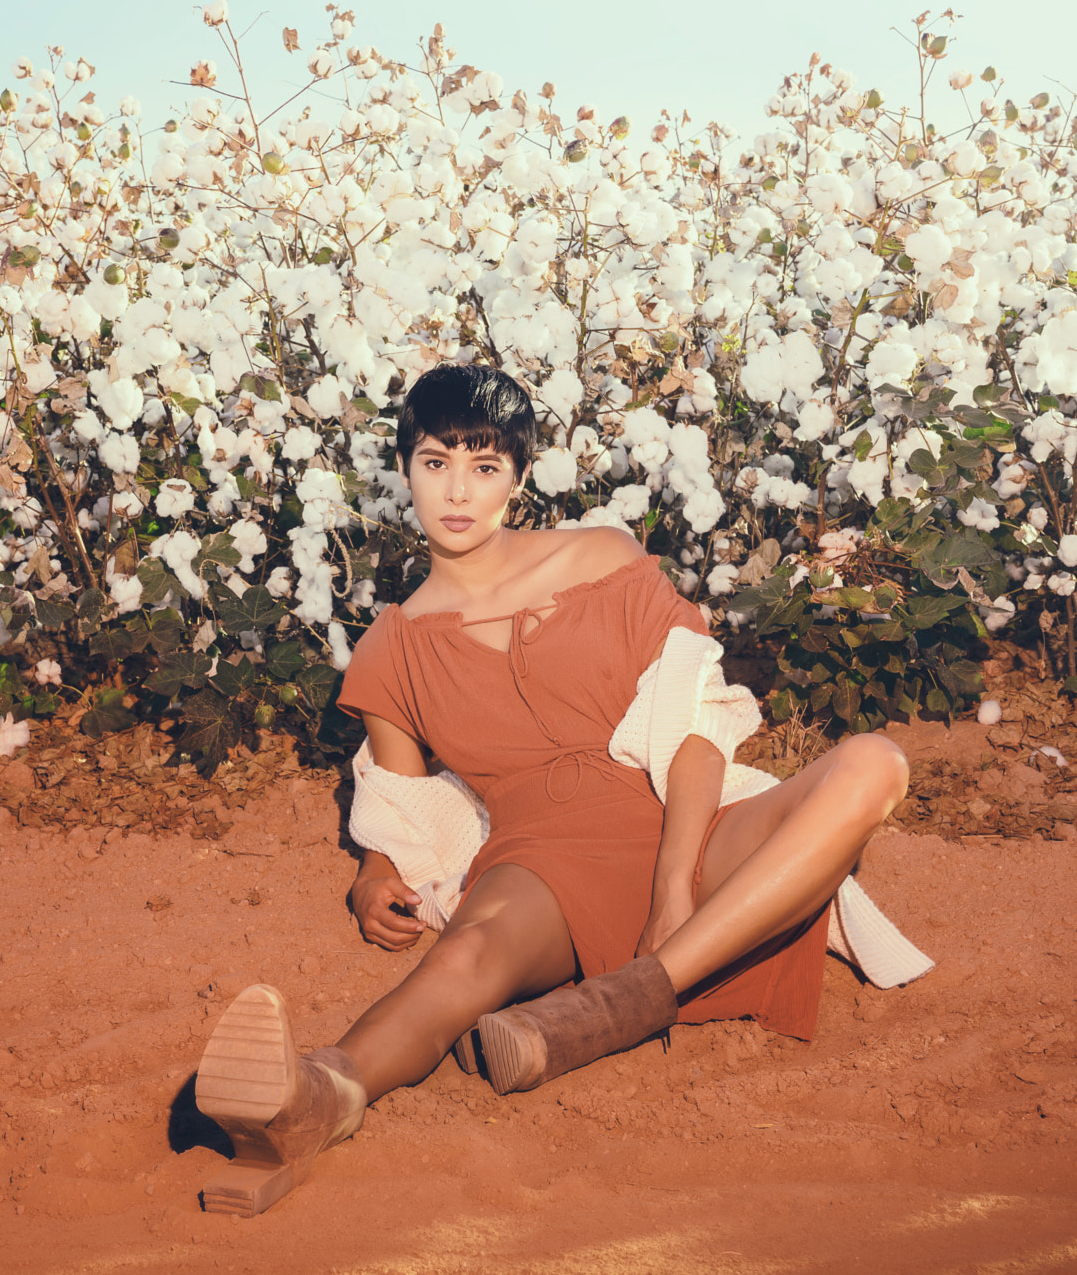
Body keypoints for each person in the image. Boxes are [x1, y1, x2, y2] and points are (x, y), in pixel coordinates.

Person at [191, 363, 912, 1218]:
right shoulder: (392, 648)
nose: (458, 491)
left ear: (521, 477)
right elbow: (402, 796)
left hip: (683, 822)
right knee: (467, 956)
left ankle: (621, 1002)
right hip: (539, 861)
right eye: (434, 463)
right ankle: (320, 1096)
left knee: (873, 762)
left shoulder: (600, 558)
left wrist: (673, 885)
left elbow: (692, 726)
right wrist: (372, 874)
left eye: (484, 467)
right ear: (404, 469)